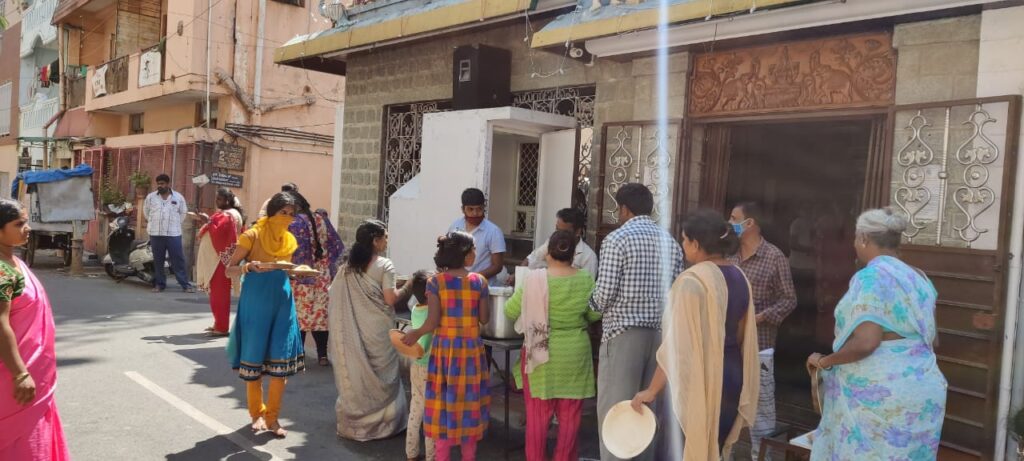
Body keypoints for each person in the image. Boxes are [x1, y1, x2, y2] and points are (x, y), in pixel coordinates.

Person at [807, 208, 947, 459]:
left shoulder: (870, 276)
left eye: (855, 238)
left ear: (863, 238)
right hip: (923, 390)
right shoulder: (920, 277)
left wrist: (824, 362)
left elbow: (866, 342)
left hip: (882, 396)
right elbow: (933, 338)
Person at [630, 210, 759, 460]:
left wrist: (651, 391)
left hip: (696, 378)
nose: (682, 245)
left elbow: (677, 348)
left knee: (681, 448)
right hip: (731, 375)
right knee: (715, 447)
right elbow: (742, 335)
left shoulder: (691, 281)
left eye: (684, 240)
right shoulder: (740, 276)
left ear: (697, 244)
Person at [590, 183, 684, 461]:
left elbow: (604, 294)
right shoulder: (672, 244)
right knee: (645, 411)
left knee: (615, 411)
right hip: (659, 339)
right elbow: (676, 294)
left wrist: (591, 305)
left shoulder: (617, 239)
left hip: (622, 336)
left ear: (623, 209)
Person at [506, 230, 601, 461]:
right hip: (575, 355)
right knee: (570, 420)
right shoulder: (585, 279)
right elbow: (594, 314)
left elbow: (510, 310)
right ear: (573, 254)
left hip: (541, 354)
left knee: (538, 419)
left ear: (548, 252)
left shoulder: (534, 279)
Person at [403, 231, 491, 461]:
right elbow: (484, 319)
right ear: (463, 254)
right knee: (469, 408)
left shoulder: (435, 283)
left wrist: (416, 333)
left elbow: (432, 322)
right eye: (472, 250)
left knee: (443, 409)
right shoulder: (480, 282)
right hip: (471, 354)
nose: (475, 253)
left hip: (445, 355)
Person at [225, 192, 305, 438]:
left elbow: (285, 269)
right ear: (272, 212)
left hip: (283, 301)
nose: (288, 218)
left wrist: (298, 272)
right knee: (255, 358)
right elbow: (229, 269)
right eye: (284, 213)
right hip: (256, 302)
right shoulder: (251, 235)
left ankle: (273, 417)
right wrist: (249, 266)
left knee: (280, 358)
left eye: (292, 214)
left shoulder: (289, 240)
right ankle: (256, 414)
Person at [328, 219, 412, 441]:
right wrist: (411, 284)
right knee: (383, 372)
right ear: (375, 241)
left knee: (358, 371)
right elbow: (391, 298)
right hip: (378, 330)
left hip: (355, 329)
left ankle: (356, 423)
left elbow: (334, 295)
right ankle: (386, 426)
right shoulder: (385, 265)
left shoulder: (347, 266)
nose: (386, 241)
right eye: (385, 237)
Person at [0, 199, 70, 460]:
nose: (27, 228)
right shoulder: (2, 271)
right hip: (13, 375)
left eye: (26, 221)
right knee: (19, 442)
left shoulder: (14, 263)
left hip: (35, 371)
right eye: (19, 224)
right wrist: (19, 374)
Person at [728, 201, 797, 459]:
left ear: (750, 223)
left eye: (734, 218)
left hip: (760, 348)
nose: (730, 222)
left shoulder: (774, 257)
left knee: (761, 415)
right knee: (727, 410)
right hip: (730, 347)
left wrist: (760, 317)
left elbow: (789, 300)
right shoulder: (729, 256)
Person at [288, 192, 344, 366]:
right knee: (320, 318)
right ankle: (322, 356)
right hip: (322, 277)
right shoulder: (322, 219)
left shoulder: (294, 223)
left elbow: (292, 251)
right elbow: (337, 246)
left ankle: (299, 355)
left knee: (300, 318)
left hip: (301, 276)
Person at [194, 188, 244, 336]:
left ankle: (222, 327)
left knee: (220, 295)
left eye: (219, 199)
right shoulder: (227, 214)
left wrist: (207, 220)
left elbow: (220, 234)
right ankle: (218, 323)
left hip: (219, 260)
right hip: (216, 260)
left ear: (227, 200)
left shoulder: (229, 215)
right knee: (216, 295)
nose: (217, 202)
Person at [144, 173, 194, 293]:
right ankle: (159, 284)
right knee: (158, 260)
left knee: (178, 259)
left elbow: (183, 213)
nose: (160, 186)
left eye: (162, 184)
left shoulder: (178, 197)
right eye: (158, 184)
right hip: (156, 233)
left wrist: (174, 224)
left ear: (168, 184)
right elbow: (146, 213)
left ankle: (185, 285)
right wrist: (153, 223)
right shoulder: (151, 197)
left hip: (173, 234)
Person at [405, 270, 436, 461]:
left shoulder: (416, 309)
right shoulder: (432, 315)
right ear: (428, 293)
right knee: (431, 414)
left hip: (416, 365)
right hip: (429, 368)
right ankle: (431, 456)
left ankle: (411, 453)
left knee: (416, 411)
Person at [448, 188, 507, 285]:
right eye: (470, 209)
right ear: (463, 209)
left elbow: (497, 266)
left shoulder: (494, 231)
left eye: (479, 209)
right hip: (456, 285)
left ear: (484, 207)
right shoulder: (455, 226)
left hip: (483, 288)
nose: (475, 213)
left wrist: (471, 279)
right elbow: (449, 255)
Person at [520, 208, 598, 278]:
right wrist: (517, 276)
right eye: (557, 229)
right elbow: (532, 258)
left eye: (564, 232)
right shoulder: (552, 242)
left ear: (577, 231)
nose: (559, 235)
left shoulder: (589, 257)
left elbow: (587, 287)